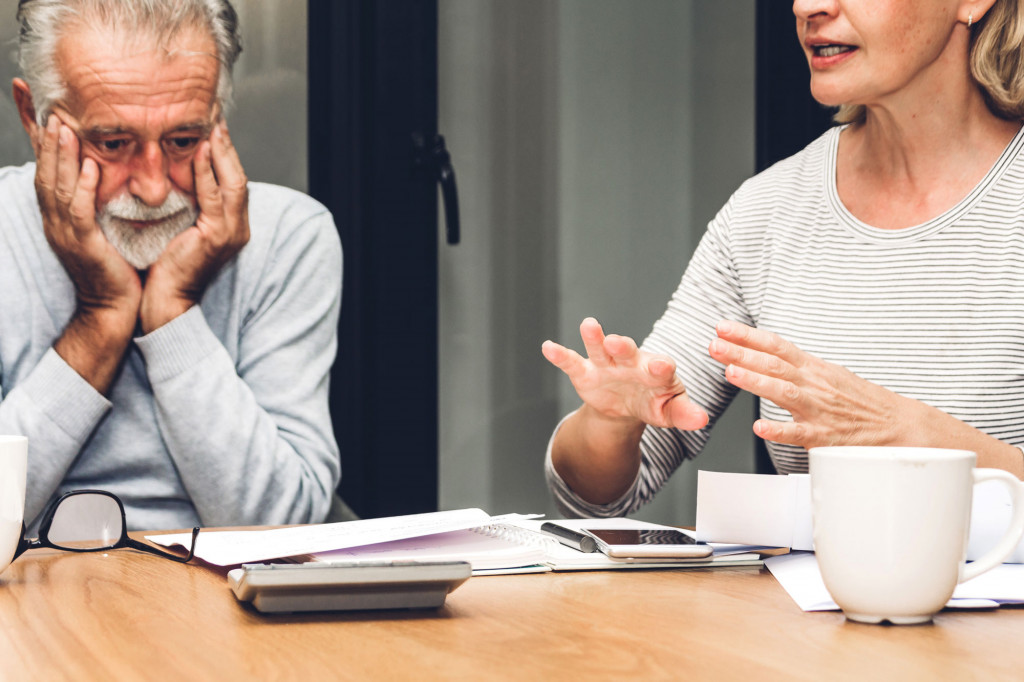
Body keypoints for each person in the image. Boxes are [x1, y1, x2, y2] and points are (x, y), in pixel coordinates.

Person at [542, 0, 1024, 517]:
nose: (808, 6)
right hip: (800, 601)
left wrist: (909, 432)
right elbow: (596, 499)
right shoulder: (766, 211)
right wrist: (611, 423)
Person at [0, 0, 342, 530]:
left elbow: (280, 524)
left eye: (184, 140)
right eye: (113, 143)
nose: (154, 188)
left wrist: (174, 313)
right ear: (34, 118)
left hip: (222, 601)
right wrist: (100, 318)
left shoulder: (290, 238)